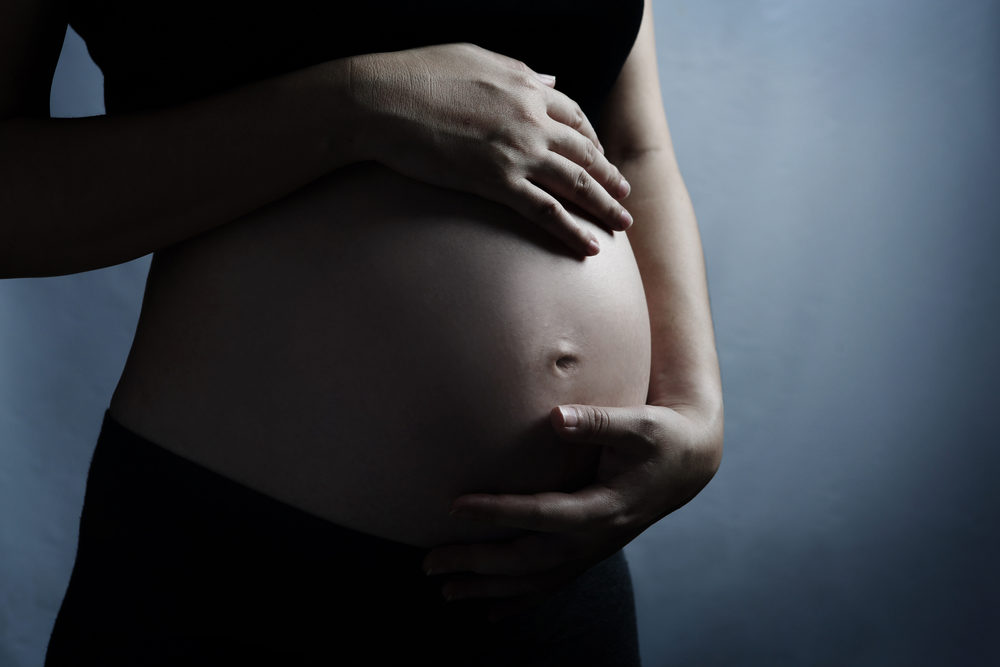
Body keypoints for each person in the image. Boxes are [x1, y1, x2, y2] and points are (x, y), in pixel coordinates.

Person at [2, 0, 724, 664]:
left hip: (558, 575)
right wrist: (350, 106)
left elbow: (632, 144)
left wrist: (697, 409)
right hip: (246, 569)